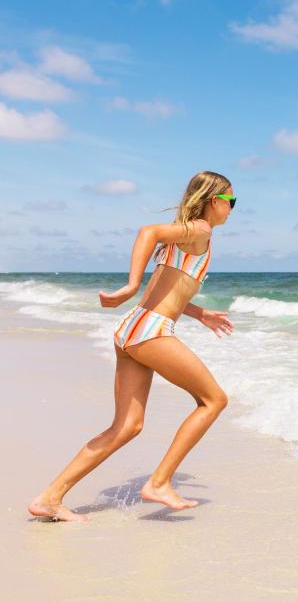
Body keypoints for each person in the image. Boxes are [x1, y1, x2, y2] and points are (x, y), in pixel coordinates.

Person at [28, 171, 237, 521]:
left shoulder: (187, 234)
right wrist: (130, 285)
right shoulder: (200, 230)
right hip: (152, 331)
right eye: (231, 201)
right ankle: (160, 482)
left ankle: (49, 498)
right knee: (214, 400)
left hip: (132, 329)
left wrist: (200, 313)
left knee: (126, 427)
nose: (232, 208)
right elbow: (147, 232)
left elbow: (170, 289)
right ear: (214, 200)